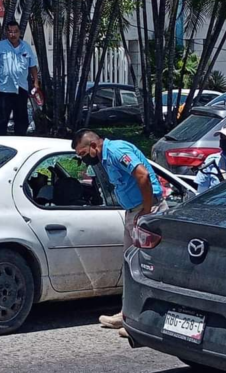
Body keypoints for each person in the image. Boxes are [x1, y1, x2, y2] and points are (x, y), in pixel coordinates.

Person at [72, 129, 167, 339]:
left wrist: (147, 211)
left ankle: (143, 321)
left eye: (82, 153)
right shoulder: (105, 157)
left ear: (93, 146)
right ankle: (127, 314)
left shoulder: (116, 151)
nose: (82, 159)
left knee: (145, 266)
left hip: (144, 211)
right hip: (133, 211)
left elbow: (142, 175)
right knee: (130, 265)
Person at [0, 21, 38, 136]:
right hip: (4, 89)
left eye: (15, 32)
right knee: (2, 120)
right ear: (6, 33)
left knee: (21, 120)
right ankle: (2, 144)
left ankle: (20, 141)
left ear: (20, 32)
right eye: (10, 32)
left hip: (21, 89)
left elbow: (33, 65)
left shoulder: (26, 47)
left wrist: (36, 83)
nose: (13, 34)